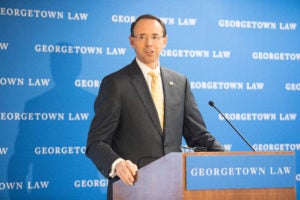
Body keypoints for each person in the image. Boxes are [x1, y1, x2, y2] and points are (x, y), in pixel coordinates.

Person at [86, 14, 224, 200]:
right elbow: (96, 142)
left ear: (164, 41)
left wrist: (225, 157)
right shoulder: (115, 83)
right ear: (132, 41)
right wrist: (117, 164)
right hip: (132, 188)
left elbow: (197, 135)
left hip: (174, 188)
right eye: (142, 37)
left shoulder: (179, 82)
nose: (149, 43)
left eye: (155, 37)